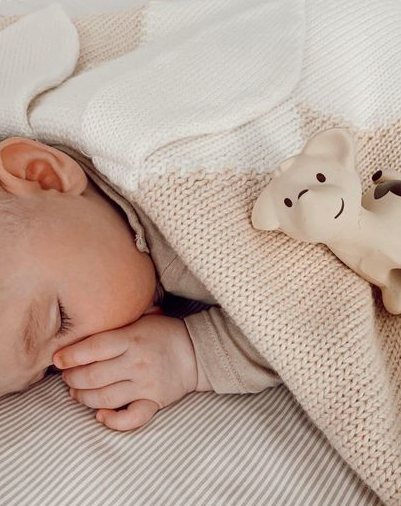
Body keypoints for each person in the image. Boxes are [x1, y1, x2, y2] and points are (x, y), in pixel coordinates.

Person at [0, 137, 281, 431]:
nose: (77, 361)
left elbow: (314, 314)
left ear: (41, 175)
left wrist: (192, 354)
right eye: (49, 371)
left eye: (60, 320)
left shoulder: (198, 226)